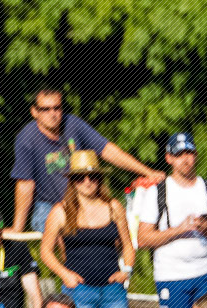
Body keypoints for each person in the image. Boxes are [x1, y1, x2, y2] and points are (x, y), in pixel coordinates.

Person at [10, 86, 162, 234]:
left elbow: (107, 150)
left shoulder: (73, 124)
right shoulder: (26, 139)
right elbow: (25, 184)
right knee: (68, 236)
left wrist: (148, 172)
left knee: (113, 230)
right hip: (48, 206)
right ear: (34, 112)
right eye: (45, 109)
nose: (53, 113)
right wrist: (18, 228)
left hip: (84, 201)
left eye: (57, 108)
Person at [131, 132, 207, 308]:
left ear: (196, 155)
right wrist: (179, 229)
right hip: (172, 276)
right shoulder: (158, 192)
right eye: (179, 154)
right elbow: (143, 238)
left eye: (189, 153)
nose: (185, 159)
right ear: (169, 158)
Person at [39, 150, 136, 308]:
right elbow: (45, 251)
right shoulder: (60, 211)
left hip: (112, 291)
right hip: (79, 292)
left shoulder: (114, 207)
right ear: (72, 181)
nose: (87, 182)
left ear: (100, 178)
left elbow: (128, 245)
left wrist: (126, 271)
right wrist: (65, 274)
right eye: (80, 177)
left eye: (92, 176)